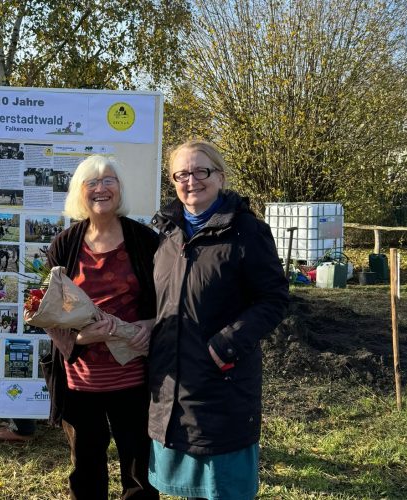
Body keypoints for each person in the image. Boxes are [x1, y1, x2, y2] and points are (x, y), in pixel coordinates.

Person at [0, 155, 159, 500]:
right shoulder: (64, 244)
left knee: (139, 470)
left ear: (120, 189)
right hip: (80, 378)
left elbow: (167, 298)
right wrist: (81, 337)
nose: (101, 188)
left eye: (109, 180)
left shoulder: (145, 240)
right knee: (86, 468)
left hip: (134, 376)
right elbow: (43, 310)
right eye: (91, 182)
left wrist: (150, 325)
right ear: (79, 192)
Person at [147, 140, 289, 500]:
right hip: (173, 385)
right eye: (182, 173)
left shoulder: (246, 232)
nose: (191, 180)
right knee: (185, 490)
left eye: (201, 171)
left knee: (225, 489)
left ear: (220, 176)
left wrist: (226, 344)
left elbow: (273, 299)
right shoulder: (166, 233)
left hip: (222, 383)